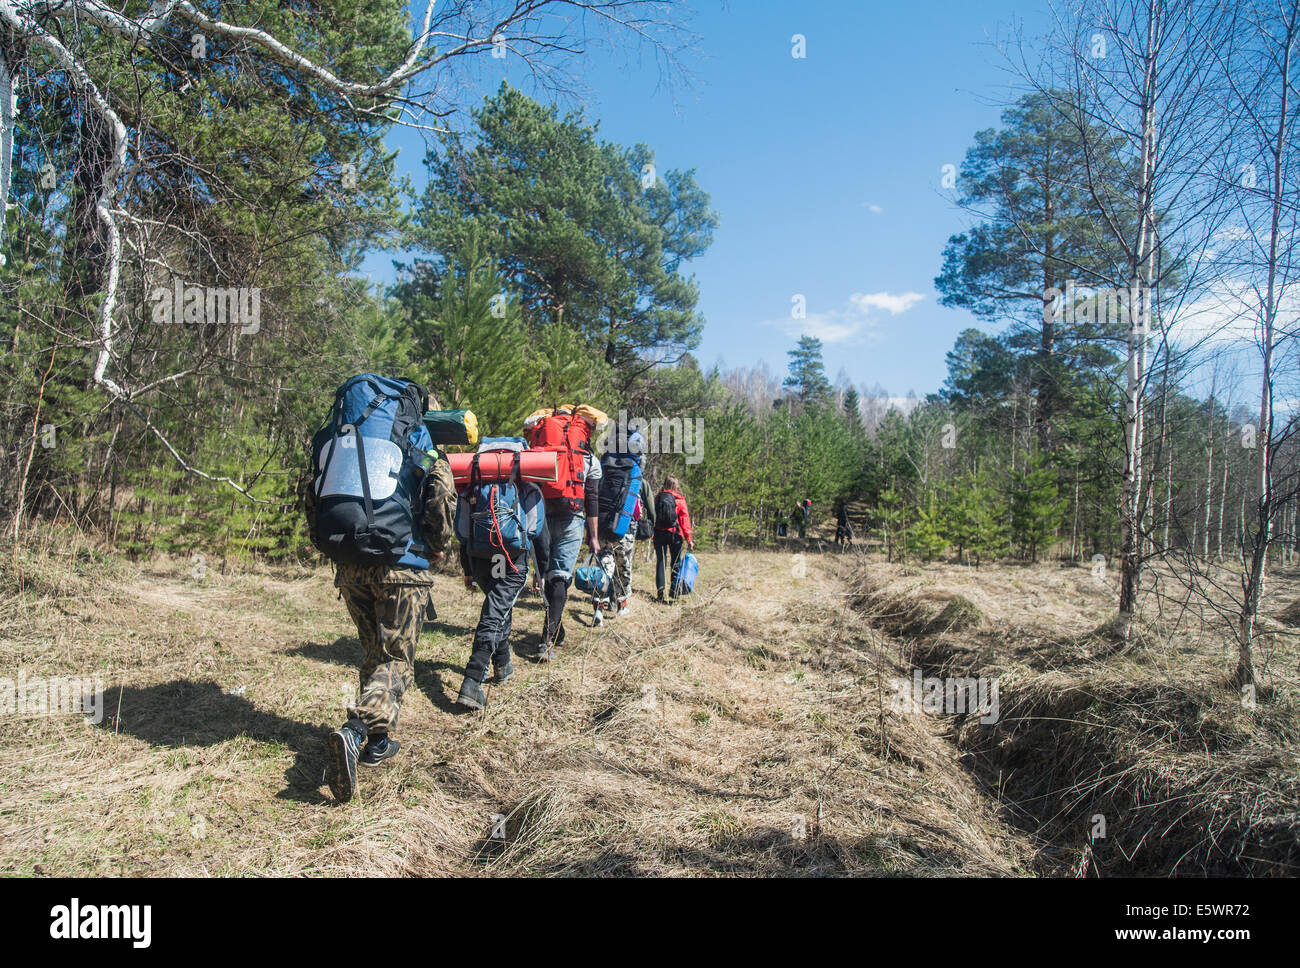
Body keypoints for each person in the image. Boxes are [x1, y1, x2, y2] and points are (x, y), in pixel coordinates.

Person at [303, 376, 457, 804]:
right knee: (395, 662)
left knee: (374, 653)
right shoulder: (418, 435)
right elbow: (442, 496)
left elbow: (309, 491)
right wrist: (439, 547)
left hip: (351, 566)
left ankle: (377, 742)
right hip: (400, 566)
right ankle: (355, 730)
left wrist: (328, 547)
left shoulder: (342, 432)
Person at [452, 438, 544, 710]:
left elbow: (462, 532)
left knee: (498, 606)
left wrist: (467, 569)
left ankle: (502, 666)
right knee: (495, 613)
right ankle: (472, 681)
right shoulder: (526, 481)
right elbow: (538, 531)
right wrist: (542, 571)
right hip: (511, 558)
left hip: (483, 556)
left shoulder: (475, 480)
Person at [524, 406, 606, 661]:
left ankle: (554, 629)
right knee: (559, 577)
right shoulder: (587, 457)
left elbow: (527, 486)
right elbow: (591, 498)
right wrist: (593, 536)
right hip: (573, 516)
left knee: (548, 575)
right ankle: (546, 641)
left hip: (542, 516)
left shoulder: (539, 448)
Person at [592, 431, 654, 626]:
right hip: (625, 527)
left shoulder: (605, 466)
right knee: (623, 566)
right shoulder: (634, 473)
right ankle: (621, 605)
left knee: (605, 564)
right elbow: (637, 509)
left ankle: (598, 607)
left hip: (602, 523)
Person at [653, 476, 694, 602]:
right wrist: (689, 538)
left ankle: (660, 593)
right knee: (676, 563)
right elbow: (684, 520)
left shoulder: (657, 498)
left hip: (659, 533)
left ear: (665, 484)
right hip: (675, 534)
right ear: (676, 486)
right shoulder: (680, 500)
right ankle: (674, 592)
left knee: (661, 562)